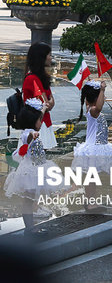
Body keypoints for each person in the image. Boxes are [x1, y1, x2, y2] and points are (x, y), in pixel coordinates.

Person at [4, 99, 65, 235]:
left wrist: (43, 109)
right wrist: (33, 134)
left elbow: (39, 118)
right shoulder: (27, 133)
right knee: (28, 200)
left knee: (31, 200)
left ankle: (31, 226)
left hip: (37, 168)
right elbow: (28, 136)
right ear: (32, 121)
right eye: (39, 120)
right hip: (30, 172)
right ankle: (29, 228)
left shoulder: (33, 126)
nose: (41, 122)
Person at [72, 80, 112, 212]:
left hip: (97, 147)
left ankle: (92, 201)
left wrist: (99, 92)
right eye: (100, 96)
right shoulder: (93, 110)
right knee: (91, 178)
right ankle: (90, 203)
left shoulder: (91, 109)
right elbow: (99, 107)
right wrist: (102, 90)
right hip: (93, 149)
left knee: (93, 178)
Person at [22, 42, 57, 149]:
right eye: (49, 55)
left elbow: (50, 102)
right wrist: (49, 103)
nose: (51, 58)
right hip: (37, 125)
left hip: (43, 122)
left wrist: (49, 103)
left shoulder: (41, 77)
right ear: (42, 57)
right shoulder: (32, 79)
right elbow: (47, 104)